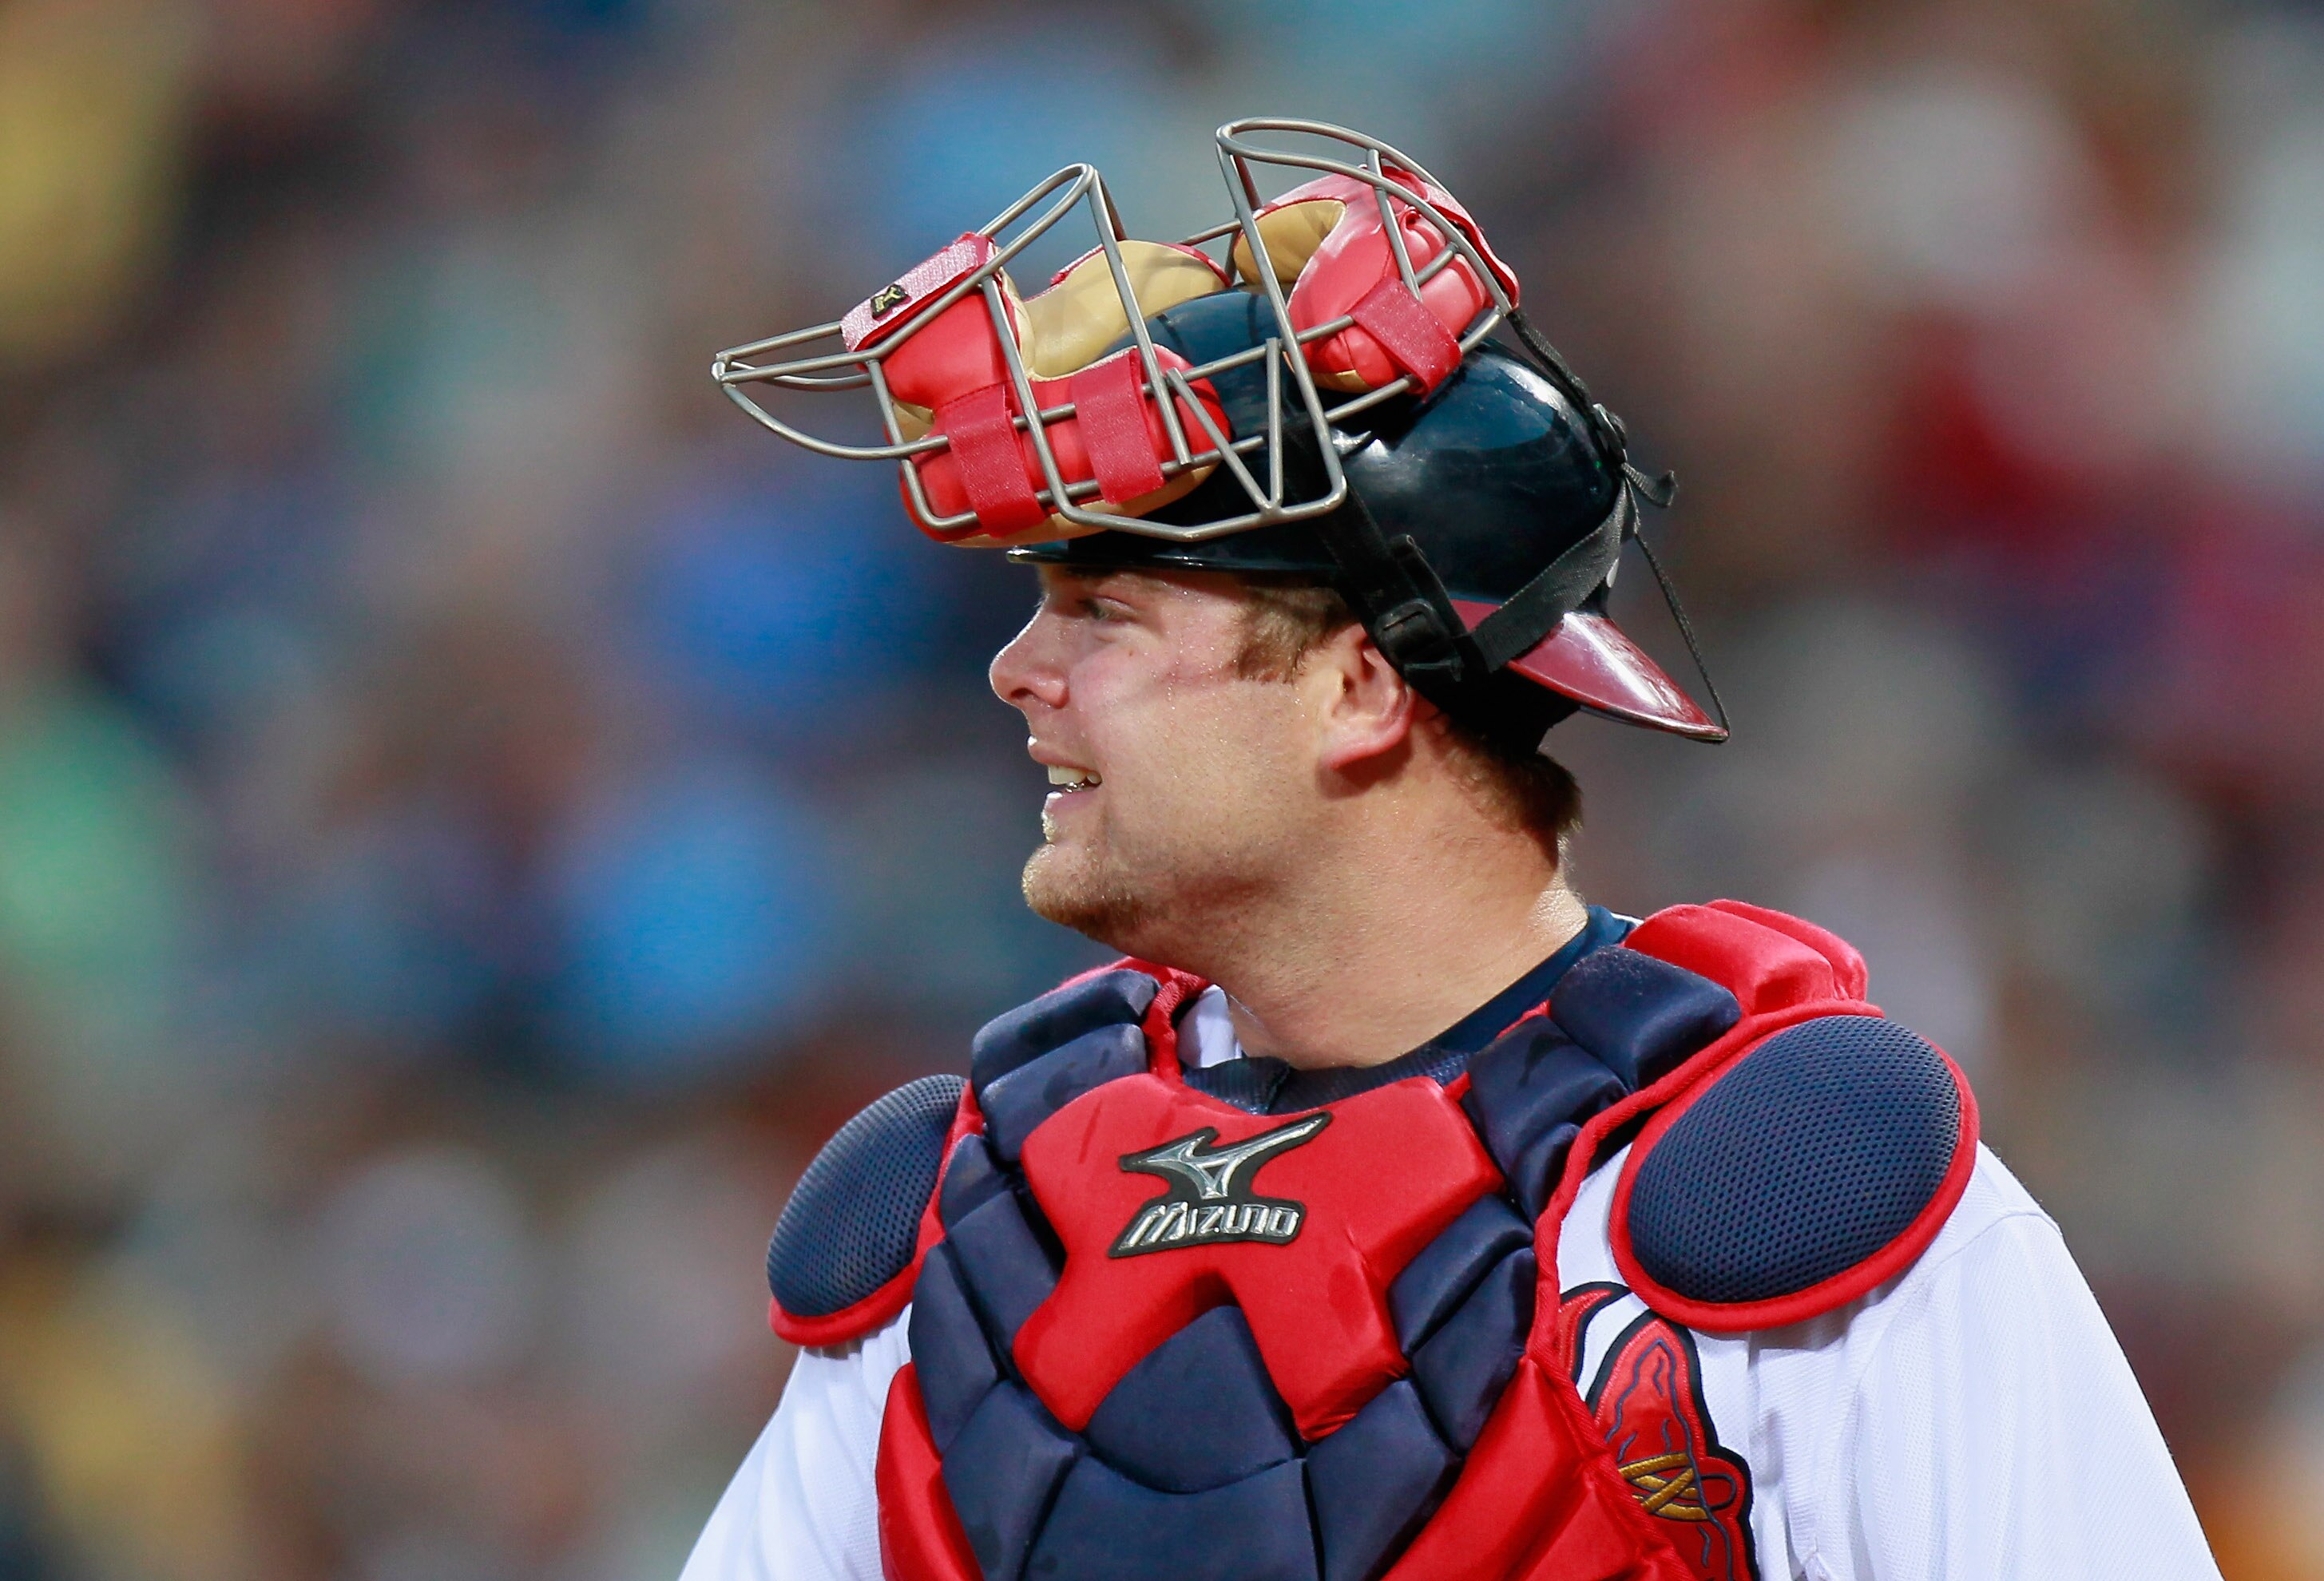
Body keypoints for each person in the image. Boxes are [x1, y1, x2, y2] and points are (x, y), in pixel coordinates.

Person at [682, 121, 2222, 1581]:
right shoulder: (964, 1212)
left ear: (1358, 688)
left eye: (1105, 613)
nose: (1021, 672)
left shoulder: (1768, 1197)